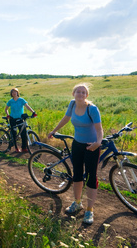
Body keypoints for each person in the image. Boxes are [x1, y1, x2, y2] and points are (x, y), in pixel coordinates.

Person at [47, 83, 103, 225]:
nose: (81, 94)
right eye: (78, 91)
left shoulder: (92, 109)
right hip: (77, 144)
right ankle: (77, 202)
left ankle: (89, 210)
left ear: (87, 95)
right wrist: (54, 130)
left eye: (83, 92)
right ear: (73, 94)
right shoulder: (72, 105)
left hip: (91, 146)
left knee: (91, 177)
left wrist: (97, 143)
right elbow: (66, 118)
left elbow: (99, 129)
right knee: (77, 174)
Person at [5, 88, 36, 153]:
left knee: (23, 133)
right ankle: (16, 148)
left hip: (20, 118)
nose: (14, 93)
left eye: (15, 92)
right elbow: (6, 109)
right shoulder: (10, 101)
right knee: (14, 134)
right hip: (12, 118)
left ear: (17, 93)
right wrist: (8, 115)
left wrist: (33, 112)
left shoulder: (21, 100)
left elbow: (27, 106)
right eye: (13, 92)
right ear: (11, 94)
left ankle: (24, 148)